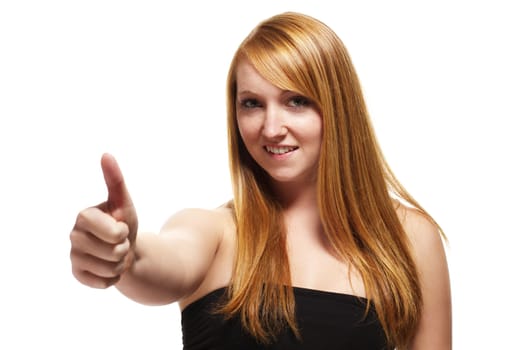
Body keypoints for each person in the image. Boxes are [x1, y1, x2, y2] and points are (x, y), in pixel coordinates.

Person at [69, 11, 452, 350]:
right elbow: (161, 261)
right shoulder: (217, 232)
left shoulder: (408, 237)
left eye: (296, 101)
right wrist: (124, 256)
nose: (271, 128)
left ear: (338, 106)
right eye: (252, 103)